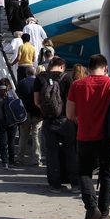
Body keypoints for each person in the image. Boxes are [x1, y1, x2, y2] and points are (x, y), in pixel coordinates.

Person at [66, 54, 110, 219]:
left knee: (85, 173)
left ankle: (91, 208)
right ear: (106, 68)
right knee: (107, 174)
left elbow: (70, 115)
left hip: (86, 137)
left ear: (88, 68)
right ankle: (104, 215)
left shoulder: (77, 85)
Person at [33, 57, 76, 193]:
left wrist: (46, 110)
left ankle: (55, 185)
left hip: (48, 121)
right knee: (71, 152)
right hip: (65, 120)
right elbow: (71, 101)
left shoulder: (40, 78)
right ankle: (75, 184)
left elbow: (36, 101)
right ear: (62, 66)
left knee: (52, 154)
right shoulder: (67, 78)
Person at [16, 66, 42, 166]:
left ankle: (20, 158)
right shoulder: (39, 82)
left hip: (25, 114)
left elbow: (18, 96)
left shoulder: (22, 83)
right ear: (35, 73)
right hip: (37, 113)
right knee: (36, 137)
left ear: (26, 73)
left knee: (23, 136)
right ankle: (36, 159)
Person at [0, 78, 16, 169]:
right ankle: (12, 161)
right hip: (12, 121)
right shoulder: (12, 93)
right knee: (11, 141)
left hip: (0, 120)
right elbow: (17, 103)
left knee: (3, 142)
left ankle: (4, 162)